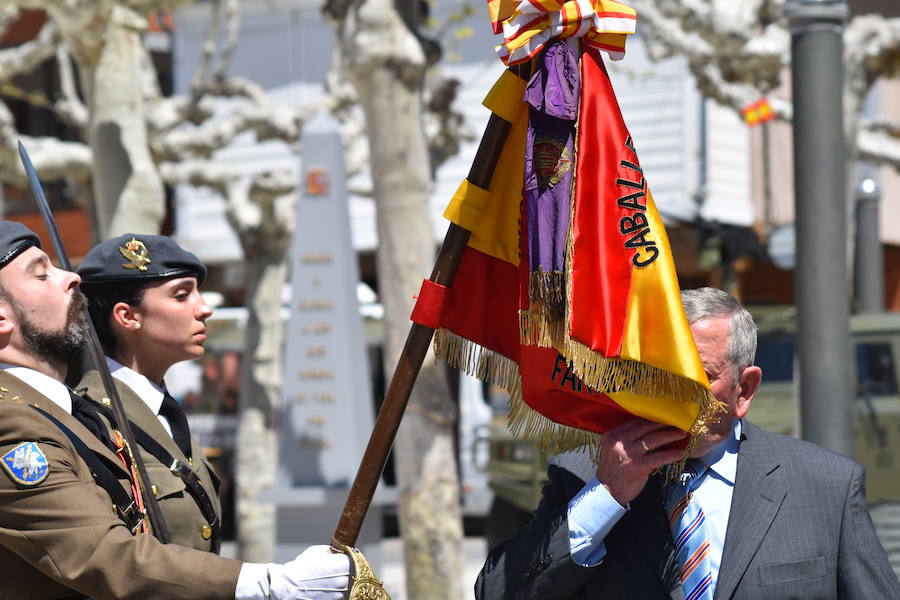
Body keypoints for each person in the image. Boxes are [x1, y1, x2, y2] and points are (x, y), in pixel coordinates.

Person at [475, 287, 900, 599]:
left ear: (744, 390)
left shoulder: (825, 486)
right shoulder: (583, 478)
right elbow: (499, 593)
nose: (674, 395)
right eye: (659, 375)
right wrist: (607, 494)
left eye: (698, 377)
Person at [0, 221, 350, 600]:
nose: (70, 277)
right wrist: (270, 584)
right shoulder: (12, 422)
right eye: (41, 275)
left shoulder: (67, 410)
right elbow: (103, 554)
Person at [75, 233, 223, 553]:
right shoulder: (89, 419)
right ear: (128, 317)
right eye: (182, 295)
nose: (205, 309)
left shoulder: (162, 408)